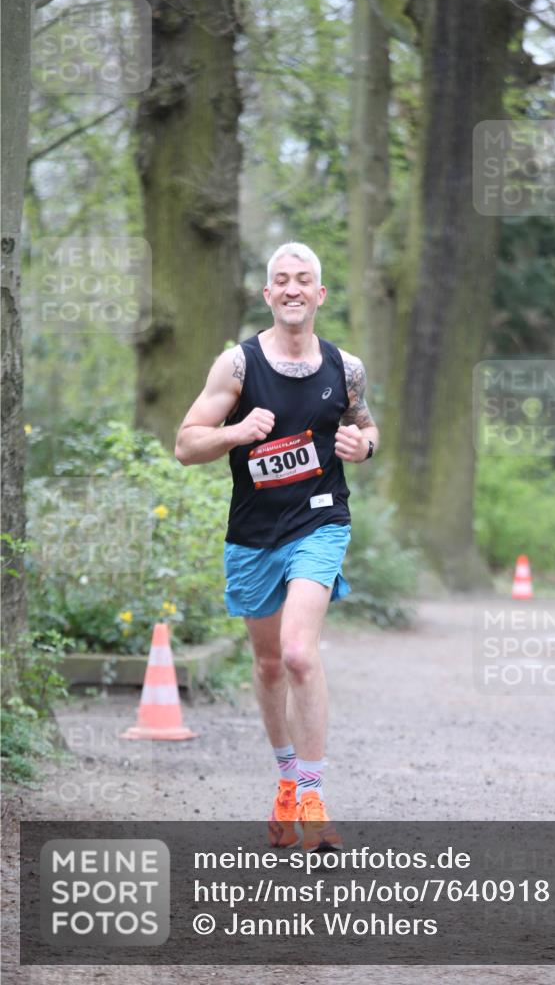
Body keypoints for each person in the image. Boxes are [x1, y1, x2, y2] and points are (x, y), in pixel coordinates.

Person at [174, 242, 379, 849]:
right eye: (281, 280)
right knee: (267, 665)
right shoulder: (236, 367)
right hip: (254, 534)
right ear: (268, 295)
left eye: (304, 280)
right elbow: (186, 444)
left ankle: (313, 794)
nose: (292, 289)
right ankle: (287, 778)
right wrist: (237, 431)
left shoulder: (347, 368)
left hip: (320, 523)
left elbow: (367, 427)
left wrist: (364, 447)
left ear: (320, 294)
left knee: (296, 653)